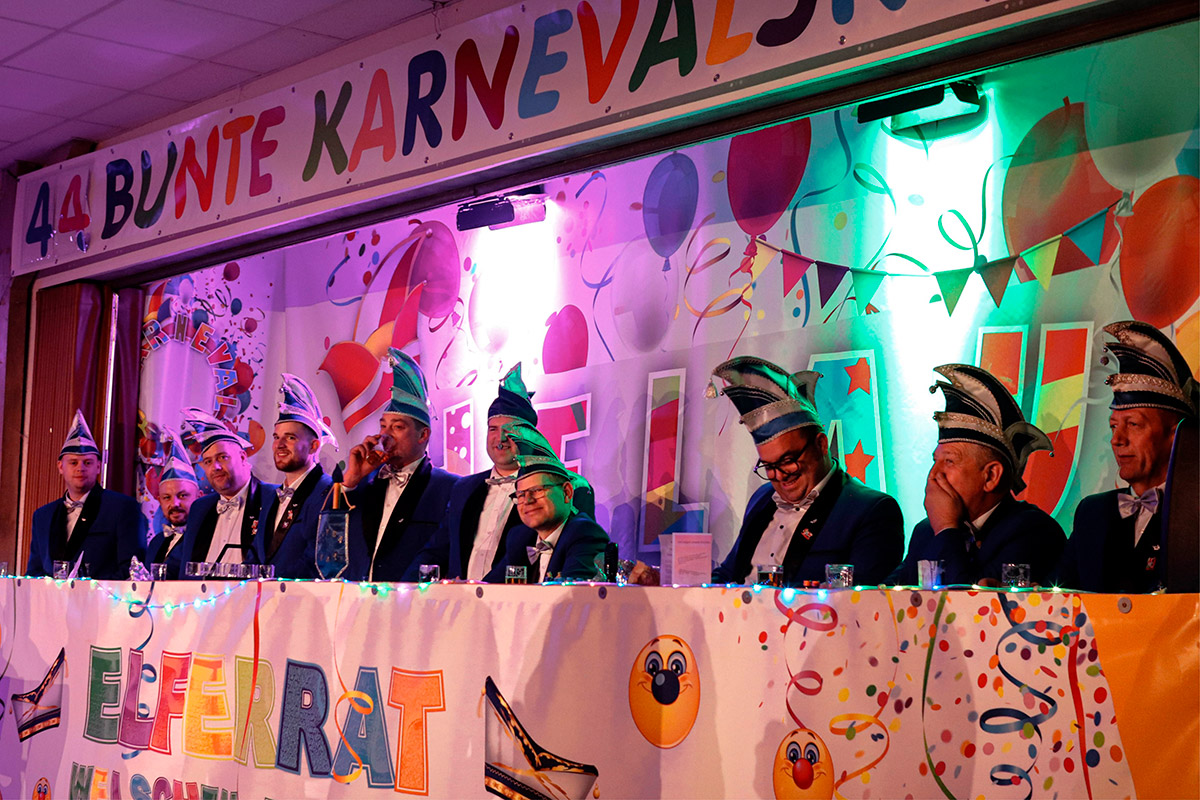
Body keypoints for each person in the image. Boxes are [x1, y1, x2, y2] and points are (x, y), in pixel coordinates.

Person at [709, 356, 903, 587]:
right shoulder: (761, 498)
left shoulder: (871, 510)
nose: (779, 475)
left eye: (788, 461)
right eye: (769, 466)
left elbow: (864, 599)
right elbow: (729, 573)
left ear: (821, 444)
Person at [891, 364, 1065, 586]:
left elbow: (969, 602)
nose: (933, 475)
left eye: (949, 461)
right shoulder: (926, 531)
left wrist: (947, 529)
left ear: (991, 476)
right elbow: (886, 596)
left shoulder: (1033, 531)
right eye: (935, 461)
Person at [1057, 321, 1198, 592]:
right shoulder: (1092, 513)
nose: (1117, 439)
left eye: (1133, 424)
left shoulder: (1195, 511)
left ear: (1175, 436)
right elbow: (1057, 597)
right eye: (1113, 426)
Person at [405, 364, 535, 581]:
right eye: (493, 429)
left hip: (518, 599)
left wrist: (483, 589)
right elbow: (437, 550)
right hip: (462, 600)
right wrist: (399, 590)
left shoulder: (546, 489)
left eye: (511, 431)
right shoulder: (464, 488)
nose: (500, 439)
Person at [343, 348, 456, 581]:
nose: (385, 435)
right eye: (383, 426)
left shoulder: (449, 487)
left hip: (412, 598)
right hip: (357, 597)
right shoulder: (364, 483)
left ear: (423, 435)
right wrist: (351, 481)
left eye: (397, 427)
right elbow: (326, 536)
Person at [484, 424, 609, 583]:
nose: (528, 500)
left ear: (567, 492)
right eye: (521, 494)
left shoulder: (585, 534)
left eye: (537, 490)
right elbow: (489, 587)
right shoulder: (519, 537)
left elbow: (570, 594)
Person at [28, 410, 144, 579]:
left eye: (87, 463)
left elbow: (131, 568)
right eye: (73, 462)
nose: (80, 468)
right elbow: (34, 572)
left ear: (98, 466)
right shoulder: (43, 516)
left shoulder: (122, 508)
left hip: (104, 595)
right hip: (50, 596)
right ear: (60, 467)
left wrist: (91, 590)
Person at [171, 408, 277, 575]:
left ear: (242, 457)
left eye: (222, 457)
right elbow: (183, 565)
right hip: (201, 591)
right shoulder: (200, 508)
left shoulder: (272, 498)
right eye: (208, 461)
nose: (215, 467)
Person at [252, 374, 337, 579]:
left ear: (314, 446)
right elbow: (256, 555)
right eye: (276, 437)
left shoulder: (329, 492)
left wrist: (272, 584)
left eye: (290, 437)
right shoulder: (270, 496)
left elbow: (318, 562)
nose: (279, 445)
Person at [145, 431, 201, 570]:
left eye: (182, 496)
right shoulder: (156, 542)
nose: (174, 504)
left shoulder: (207, 539)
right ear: (159, 500)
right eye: (167, 497)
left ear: (199, 497)